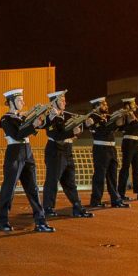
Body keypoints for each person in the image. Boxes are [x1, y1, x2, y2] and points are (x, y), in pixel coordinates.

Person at [0, 89, 54, 232]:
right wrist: (33, 124)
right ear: (11, 102)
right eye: (20, 100)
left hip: (27, 151)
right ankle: (3, 221)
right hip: (14, 153)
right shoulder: (6, 119)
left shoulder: (21, 117)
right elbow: (17, 134)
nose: (23, 102)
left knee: (33, 188)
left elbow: (40, 126)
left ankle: (40, 221)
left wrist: (48, 117)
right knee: (9, 189)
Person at [40, 90, 93, 218]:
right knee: (52, 181)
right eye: (61, 100)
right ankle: (48, 208)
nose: (64, 102)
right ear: (54, 102)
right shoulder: (50, 118)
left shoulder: (67, 116)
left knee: (70, 182)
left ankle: (77, 207)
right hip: (55, 150)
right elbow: (56, 135)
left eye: (64, 100)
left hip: (68, 149)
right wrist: (72, 133)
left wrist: (85, 125)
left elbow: (75, 129)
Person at [85, 97, 130, 208]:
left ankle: (116, 199)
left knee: (112, 176)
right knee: (99, 176)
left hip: (111, 149)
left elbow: (121, 126)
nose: (107, 106)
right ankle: (95, 200)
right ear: (96, 107)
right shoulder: (93, 118)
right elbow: (103, 130)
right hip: (101, 149)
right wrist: (115, 123)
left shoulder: (108, 117)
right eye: (104, 104)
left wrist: (123, 117)